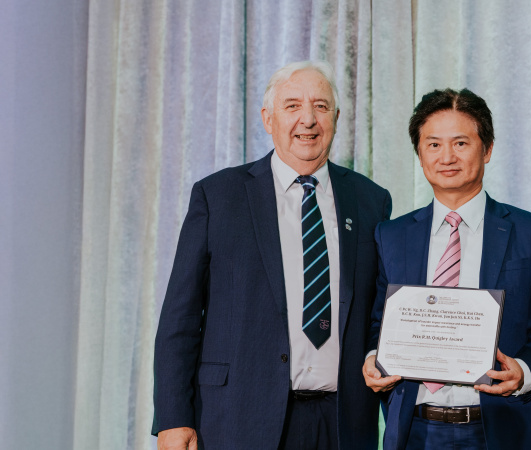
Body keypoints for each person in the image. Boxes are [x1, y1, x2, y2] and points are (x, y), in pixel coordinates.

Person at [152, 61, 392, 450]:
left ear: (337, 117)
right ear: (267, 118)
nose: (308, 120)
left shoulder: (371, 201)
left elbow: (378, 313)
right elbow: (179, 318)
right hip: (238, 417)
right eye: (292, 106)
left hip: (343, 423)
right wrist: (173, 418)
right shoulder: (218, 196)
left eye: (321, 106)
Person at [362, 88, 531, 450]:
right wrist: (374, 358)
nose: (446, 157)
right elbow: (379, 322)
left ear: (488, 149)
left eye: (461, 143)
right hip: (414, 431)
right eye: (433, 144)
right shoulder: (391, 235)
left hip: (500, 428)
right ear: (419, 154)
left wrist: (525, 371)